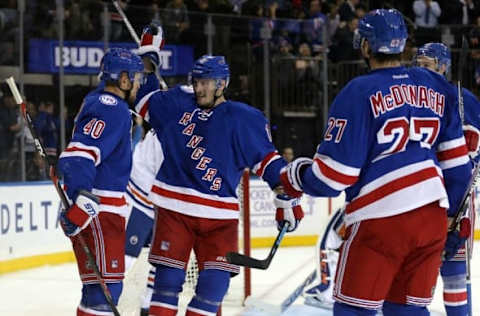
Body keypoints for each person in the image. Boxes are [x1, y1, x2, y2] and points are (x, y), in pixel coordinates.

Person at [279, 9, 472, 316]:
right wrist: (451, 217)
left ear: (365, 46)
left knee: (354, 310)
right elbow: (458, 167)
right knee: (408, 310)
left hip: (381, 220)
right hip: (432, 218)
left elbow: (333, 177)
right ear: (404, 44)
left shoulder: (358, 91)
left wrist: (295, 175)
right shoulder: (437, 86)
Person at [133, 55, 303, 316]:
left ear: (222, 84)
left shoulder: (243, 119)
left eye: (206, 83)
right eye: (197, 82)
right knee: (166, 286)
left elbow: (269, 164)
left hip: (219, 218)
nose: (200, 88)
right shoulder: (176, 103)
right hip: (174, 211)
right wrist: (148, 57)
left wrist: (287, 199)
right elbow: (143, 99)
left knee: (213, 290)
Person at [57, 47, 144, 316]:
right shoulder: (113, 107)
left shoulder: (98, 102)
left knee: (97, 291)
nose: (139, 83)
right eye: (137, 78)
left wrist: (76, 195)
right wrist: (81, 196)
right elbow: (78, 155)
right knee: (104, 294)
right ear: (124, 79)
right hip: (100, 210)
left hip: (98, 208)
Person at [414, 42, 479, 316]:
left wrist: (456, 208)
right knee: (414, 277)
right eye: (417, 66)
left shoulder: (465, 101)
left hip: (456, 200)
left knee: (454, 274)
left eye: (427, 66)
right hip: (418, 198)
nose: (421, 72)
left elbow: (472, 152)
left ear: (443, 67)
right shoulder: (413, 97)